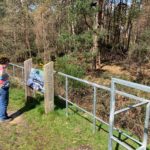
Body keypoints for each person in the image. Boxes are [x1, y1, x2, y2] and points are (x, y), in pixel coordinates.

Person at [0, 57, 12, 122]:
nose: (8, 64)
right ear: (4, 63)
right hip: (3, 88)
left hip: (2, 88)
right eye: (7, 63)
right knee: (4, 103)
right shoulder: (2, 69)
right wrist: (3, 82)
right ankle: (3, 118)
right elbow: (1, 77)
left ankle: (4, 115)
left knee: (1, 102)